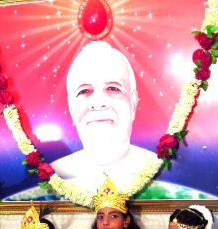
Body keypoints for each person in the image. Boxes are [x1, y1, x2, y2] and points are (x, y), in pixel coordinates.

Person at [50, 41, 157, 192]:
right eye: (84, 91)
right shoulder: (57, 173)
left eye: (113, 88)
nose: (98, 103)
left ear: (133, 102)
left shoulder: (156, 167)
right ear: (72, 107)